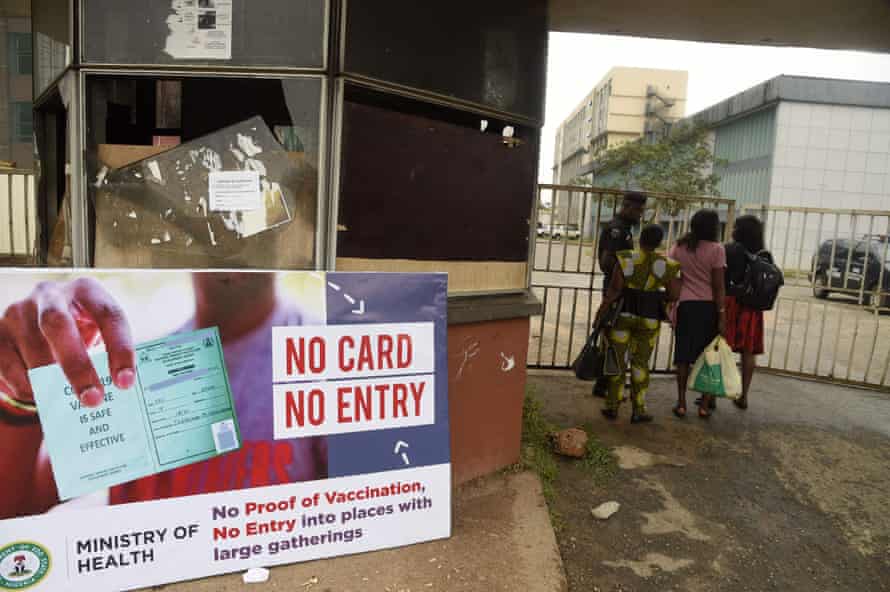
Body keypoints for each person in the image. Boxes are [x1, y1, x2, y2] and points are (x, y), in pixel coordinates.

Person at [0, 273, 327, 519]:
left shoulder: (329, 361)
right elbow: (20, 510)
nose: (233, 226)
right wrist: (19, 396)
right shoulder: (133, 369)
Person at [595, 225, 680, 423]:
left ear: (640, 238)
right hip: (649, 319)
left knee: (617, 360)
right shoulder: (666, 264)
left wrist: (601, 312)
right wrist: (656, 297)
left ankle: (612, 406)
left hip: (623, 315)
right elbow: (674, 294)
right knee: (640, 363)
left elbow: (614, 290)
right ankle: (639, 409)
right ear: (659, 242)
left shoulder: (626, 258)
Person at [668, 210, 726, 419]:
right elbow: (719, 287)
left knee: (683, 357)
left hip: (686, 307)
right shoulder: (717, 250)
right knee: (710, 358)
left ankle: (682, 403)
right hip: (708, 308)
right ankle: (704, 406)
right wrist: (722, 315)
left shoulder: (680, 246)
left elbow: (671, 274)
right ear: (713, 227)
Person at [592, 191, 647, 398]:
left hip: (619, 287)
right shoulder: (617, 230)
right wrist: (627, 268)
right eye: (638, 210)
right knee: (610, 337)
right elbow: (606, 262)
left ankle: (603, 383)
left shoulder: (623, 228)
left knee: (611, 337)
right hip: (615, 289)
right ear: (627, 206)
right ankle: (603, 383)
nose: (640, 215)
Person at [724, 215, 769, 410]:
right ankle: (743, 395)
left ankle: (709, 396)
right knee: (748, 352)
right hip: (753, 308)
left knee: (720, 347)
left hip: (731, 303)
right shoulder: (764, 253)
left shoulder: (730, 250)